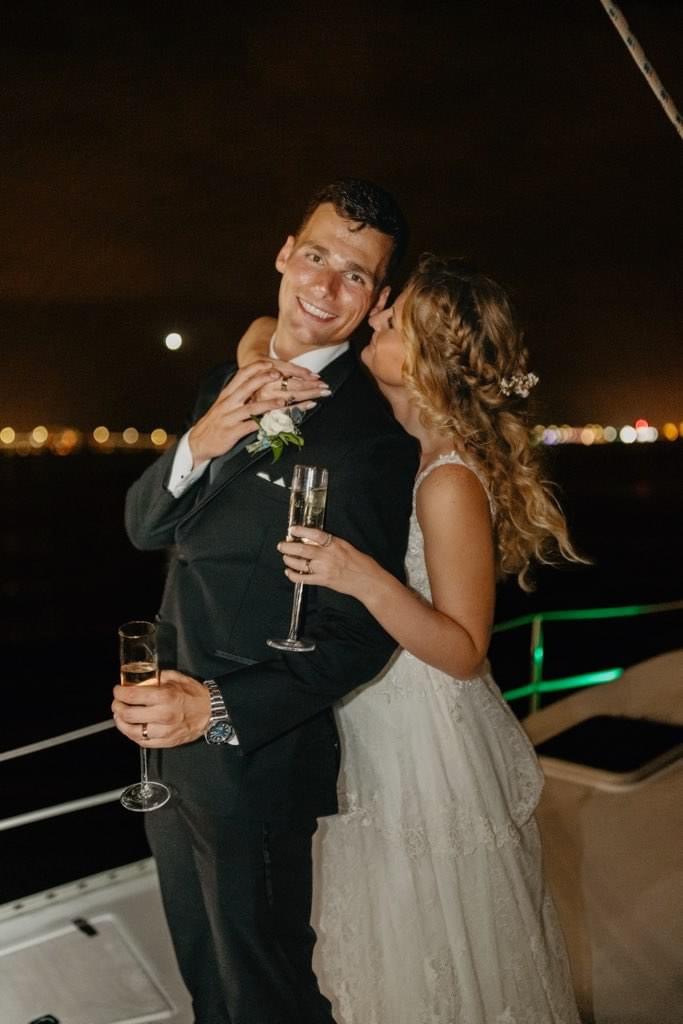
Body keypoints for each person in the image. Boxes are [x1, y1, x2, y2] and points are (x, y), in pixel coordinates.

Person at [240, 254, 583, 1023]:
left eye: (393, 320)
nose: (377, 314)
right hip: (370, 711)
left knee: (425, 932)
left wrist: (355, 574)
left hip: (422, 731)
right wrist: (262, 368)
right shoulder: (386, 428)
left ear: (425, 359)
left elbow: (464, 650)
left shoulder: (448, 479)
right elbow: (266, 330)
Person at [111, 178, 419, 1024]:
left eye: (354, 276)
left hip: (256, 758)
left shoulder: (368, 441)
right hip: (161, 747)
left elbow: (359, 637)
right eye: (316, 257)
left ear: (376, 299)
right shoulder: (225, 377)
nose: (323, 287)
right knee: (206, 977)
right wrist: (203, 438)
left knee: (268, 993)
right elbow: (146, 526)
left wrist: (208, 707)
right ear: (285, 254)